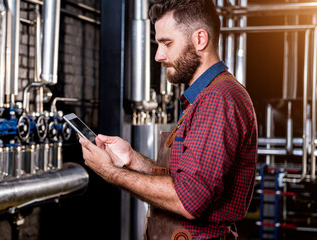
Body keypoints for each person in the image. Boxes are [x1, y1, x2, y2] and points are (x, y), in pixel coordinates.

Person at [79, 0, 258, 239]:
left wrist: (110, 172)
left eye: (167, 43)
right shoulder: (205, 96)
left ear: (200, 39)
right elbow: (183, 180)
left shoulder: (218, 98)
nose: (158, 56)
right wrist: (131, 159)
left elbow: (189, 201)